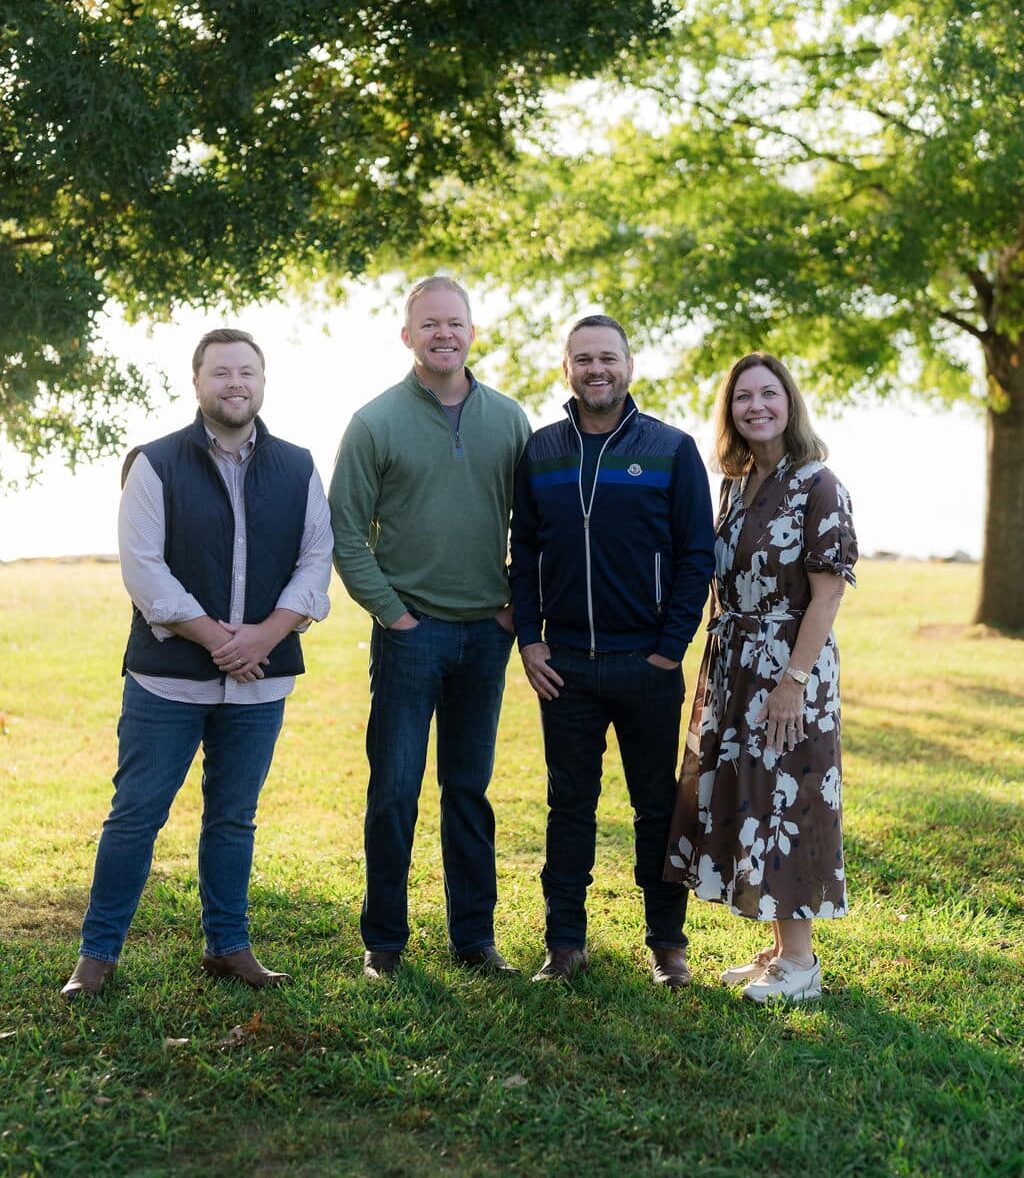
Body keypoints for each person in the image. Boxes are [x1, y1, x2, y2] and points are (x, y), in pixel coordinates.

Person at [61, 328, 333, 998]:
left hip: (261, 683)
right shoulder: (154, 463)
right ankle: (96, 958)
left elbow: (315, 560)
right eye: (220, 372)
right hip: (166, 680)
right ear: (197, 382)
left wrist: (263, 637)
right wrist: (222, 640)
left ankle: (228, 947)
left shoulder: (298, 466)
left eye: (246, 371)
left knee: (234, 817)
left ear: (262, 382)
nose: (234, 383)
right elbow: (145, 572)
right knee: (136, 814)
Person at [329, 276, 531, 981]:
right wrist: (394, 613)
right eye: (430, 324)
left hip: (485, 634)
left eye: (456, 323)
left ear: (472, 332)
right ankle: (384, 942)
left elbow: (532, 528)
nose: (444, 333)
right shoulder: (374, 422)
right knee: (395, 787)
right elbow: (346, 533)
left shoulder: (508, 420)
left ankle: (473, 939)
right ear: (407, 335)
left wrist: (512, 607)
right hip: (411, 635)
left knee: (468, 789)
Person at [510, 314, 715, 987]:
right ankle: (564, 945)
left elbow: (695, 555)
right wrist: (531, 641)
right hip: (564, 666)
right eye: (583, 359)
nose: (596, 369)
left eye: (608, 358)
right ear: (566, 368)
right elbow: (526, 554)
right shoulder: (540, 451)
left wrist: (668, 647)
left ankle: (668, 946)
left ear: (629, 366)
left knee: (657, 808)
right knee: (569, 806)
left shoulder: (671, 448)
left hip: (646, 667)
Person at [665, 352, 857, 1003]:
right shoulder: (735, 484)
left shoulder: (818, 484)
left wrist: (793, 682)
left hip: (788, 667)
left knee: (789, 802)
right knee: (752, 797)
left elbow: (826, 597)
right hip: (736, 664)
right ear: (731, 411)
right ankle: (780, 950)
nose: (756, 407)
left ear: (789, 402)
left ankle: (801, 965)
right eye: (743, 397)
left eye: (768, 394)